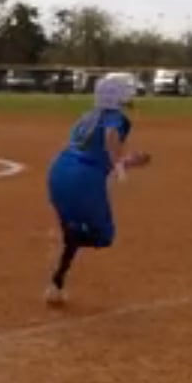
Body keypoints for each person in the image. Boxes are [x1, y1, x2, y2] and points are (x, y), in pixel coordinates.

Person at [44, 72, 150, 306]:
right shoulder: (118, 118)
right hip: (84, 177)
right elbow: (110, 136)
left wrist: (120, 162)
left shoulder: (87, 116)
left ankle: (57, 282)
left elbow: (84, 146)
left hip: (59, 169)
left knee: (73, 229)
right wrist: (123, 162)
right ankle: (68, 241)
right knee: (103, 236)